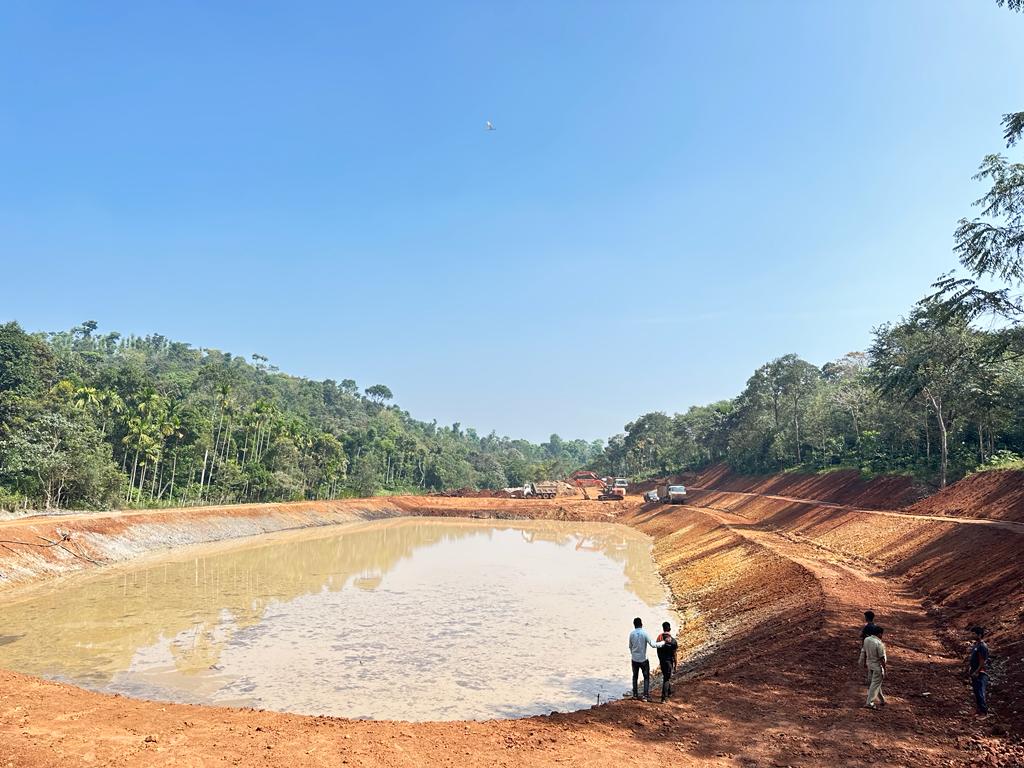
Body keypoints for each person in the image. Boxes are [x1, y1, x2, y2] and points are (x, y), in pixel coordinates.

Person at [629, 617, 663, 701]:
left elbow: (630, 646)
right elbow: (653, 644)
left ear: (634, 625)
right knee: (646, 677)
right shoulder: (644, 633)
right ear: (641, 624)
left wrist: (633, 654)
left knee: (635, 676)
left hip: (634, 659)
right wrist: (663, 643)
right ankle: (645, 696)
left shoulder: (631, 634)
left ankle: (635, 694)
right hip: (643, 659)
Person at [859, 625, 887, 709]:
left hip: (870, 665)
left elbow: (864, 652)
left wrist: (864, 662)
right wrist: (885, 669)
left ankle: (882, 700)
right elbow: (882, 658)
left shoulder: (866, 640)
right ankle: (869, 702)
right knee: (875, 684)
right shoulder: (879, 643)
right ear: (879, 634)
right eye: (882, 634)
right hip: (877, 666)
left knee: (875, 683)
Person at [967, 626, 990, 715]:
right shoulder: (976, 645)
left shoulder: (982, 646)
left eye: (974, 634)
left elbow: (982, 661)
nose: (972, 635)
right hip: (974, 671)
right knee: (976, 692)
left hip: (980, 672)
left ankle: (984, 712)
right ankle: (979, 710)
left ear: (979, 635)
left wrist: (977, 671)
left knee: (980, 692)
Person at [655, 621, 679, 702]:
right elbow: (674, 654)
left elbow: (657, 650)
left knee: (666, 676)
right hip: (669, 662)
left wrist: (660, 659)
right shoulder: (673, 641)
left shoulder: (659, 638)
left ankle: (669, 692)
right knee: (666, 679)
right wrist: (675, 665)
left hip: (662, 661)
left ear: (663, 629)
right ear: (670, 629)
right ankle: (664, 698)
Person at [860, 611, 878, 685]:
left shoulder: (867, 627)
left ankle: (869, 680)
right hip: (874, 646)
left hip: (867, 646)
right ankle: (871, 679)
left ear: (867, 618)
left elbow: (861, 635)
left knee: (866, 663)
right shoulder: (875, 626)